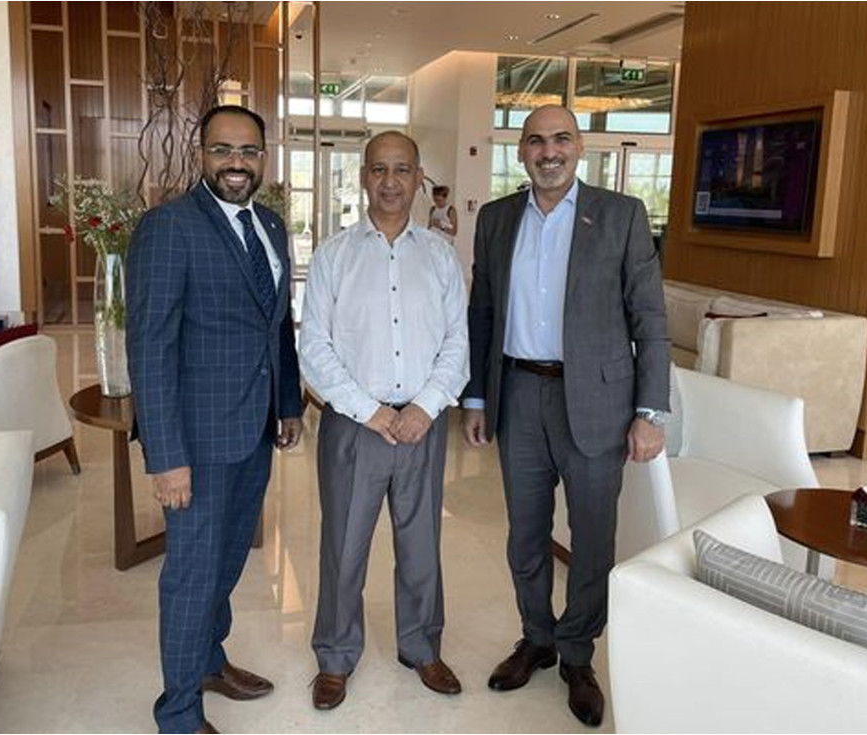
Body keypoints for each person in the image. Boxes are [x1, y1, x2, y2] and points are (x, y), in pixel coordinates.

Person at [461, 104, 669, 728]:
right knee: (525, 533)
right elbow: (482, 312)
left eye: (560, 139)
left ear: (579, 147)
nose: (548, 152)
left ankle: (577, 652)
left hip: (598, 401)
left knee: (592, 537)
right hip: (519, 393)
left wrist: (650, 410)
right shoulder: (497, 218)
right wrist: (476, 396)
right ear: (520, 151)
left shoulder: (621, 214)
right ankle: (537, 638)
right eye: (535, 141)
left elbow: (649, 318)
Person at [126, 104, 303, 735]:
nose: (237, 162)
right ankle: (177, 713)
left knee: (226, 562)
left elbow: (276, 324)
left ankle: (207, 660)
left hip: (254, 430)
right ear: (200, 155)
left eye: (249, 151)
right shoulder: (168, 226)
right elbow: (149, 347)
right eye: (223, 149)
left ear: (263, 158)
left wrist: (288, 403)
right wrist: (166, 456)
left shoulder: (271, 225)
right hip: (197, 441)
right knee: (192, 576)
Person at [299, 131, 469, 711]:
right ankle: (334, 656)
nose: (390, 182)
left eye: (402, 170)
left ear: (419, 178)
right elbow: (314, 347)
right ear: (363, 177)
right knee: (343, 548)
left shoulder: (440, 256)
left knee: (421, 546)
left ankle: (421, 646)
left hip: (423, 424)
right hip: (355, 426)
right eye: (379, 169)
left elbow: (457, 342)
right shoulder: (334, 255)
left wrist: (426, 406)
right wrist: (369, 411)